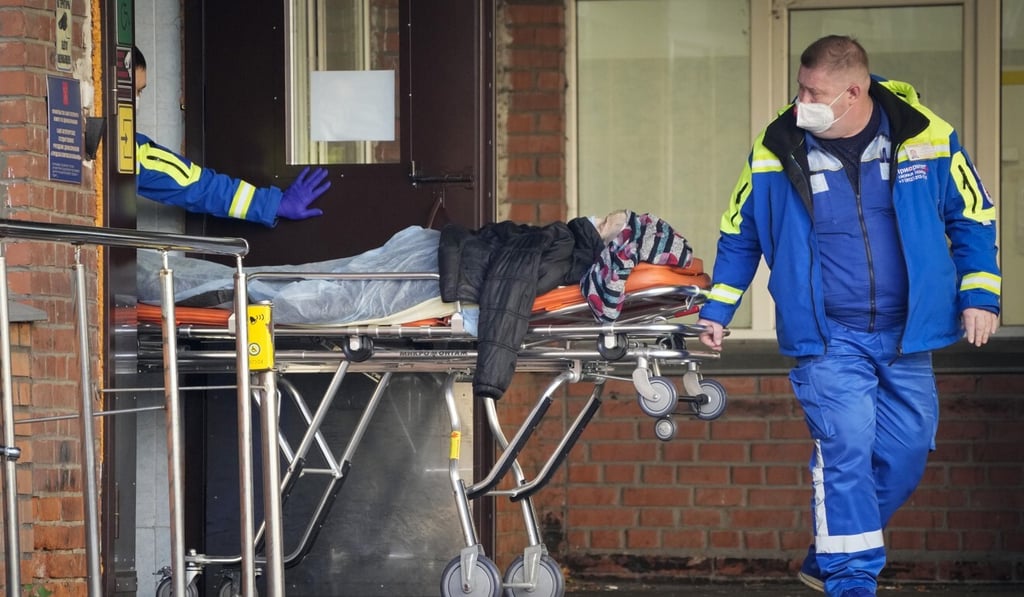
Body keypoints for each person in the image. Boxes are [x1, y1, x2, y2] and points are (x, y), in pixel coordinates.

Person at [696, 35, 1000, 597]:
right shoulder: (777, 145)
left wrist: (979, 296)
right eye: (799, 86)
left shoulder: (927, 136)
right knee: (846, 451)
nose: (801, 99)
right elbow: (741, 232)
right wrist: (719, 308)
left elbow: (973, 216)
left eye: (814, 91)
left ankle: (829, 551)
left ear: (853, 92)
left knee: (907, 453)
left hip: (908, 333)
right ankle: (851, 581)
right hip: (828, 335)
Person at [131, 46, 330, 226]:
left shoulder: (134, 152)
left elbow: (198, 186)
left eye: (139, 92)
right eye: (132, 91)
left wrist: (271, 205)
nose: (135, 101)